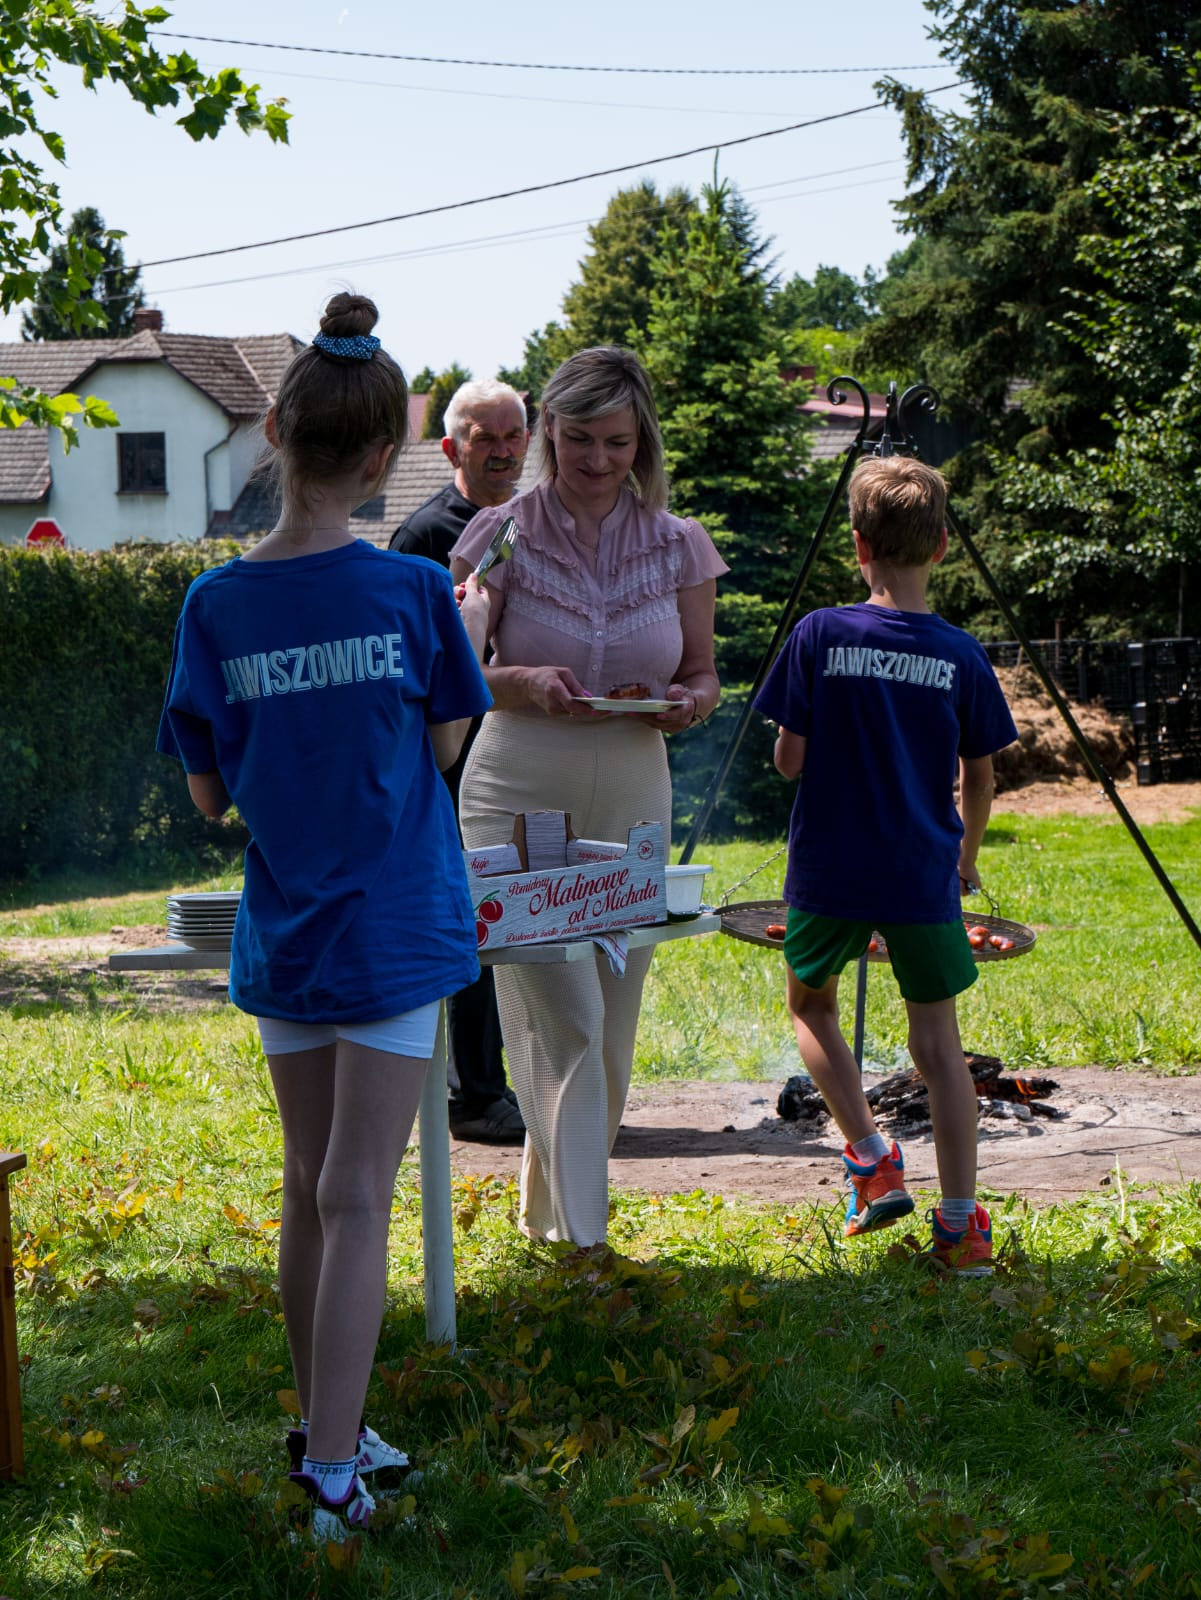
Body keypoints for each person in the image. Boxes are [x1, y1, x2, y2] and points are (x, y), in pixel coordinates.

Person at [156, 293, 492, 1542]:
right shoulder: (415, 592)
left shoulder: (212, 606)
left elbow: (206, 790)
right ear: (377, 459)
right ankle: (336, 1475)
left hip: (284, 926)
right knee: (356, 1196)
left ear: (274, 438)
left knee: (310, 1186)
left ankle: (320, 1424)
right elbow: (448, 743)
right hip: (395, 928)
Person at [449, 345, 727, 1248]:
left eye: (616, 442)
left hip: (636, 787)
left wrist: (688, 703)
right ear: (549, 436)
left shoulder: (679, 543)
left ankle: (549, 1223)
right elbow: (464, 671)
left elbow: (702, 673)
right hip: (516, 783)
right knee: (562, 1014)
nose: (599, 461)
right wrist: (523, 679)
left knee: (607, 1031)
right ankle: (586, 1251)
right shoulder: (502, 531)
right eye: (579, 441)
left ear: (640, 439)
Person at [754, 455, 1017, 1277]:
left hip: (830, 867)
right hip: (919, 871)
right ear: (940, 546)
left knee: (810, 1007)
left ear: (857, 546)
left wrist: (795, 739)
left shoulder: (819, 635)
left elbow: (788, 762)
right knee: (939, 1050)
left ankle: (869, 1158)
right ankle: (962, 1227)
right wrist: (966, 855)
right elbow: (980, 773)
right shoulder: (960, 653)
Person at [389, 379, 529, 1144]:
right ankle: (472, 1094)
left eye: (515, 436)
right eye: (487, 438)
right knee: (471, 916)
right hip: (447, 761)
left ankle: (512, 1079)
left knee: (516, 915)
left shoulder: (527, 523)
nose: (505, 450)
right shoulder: (420, 540)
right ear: (451, 449)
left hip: (517, 749)